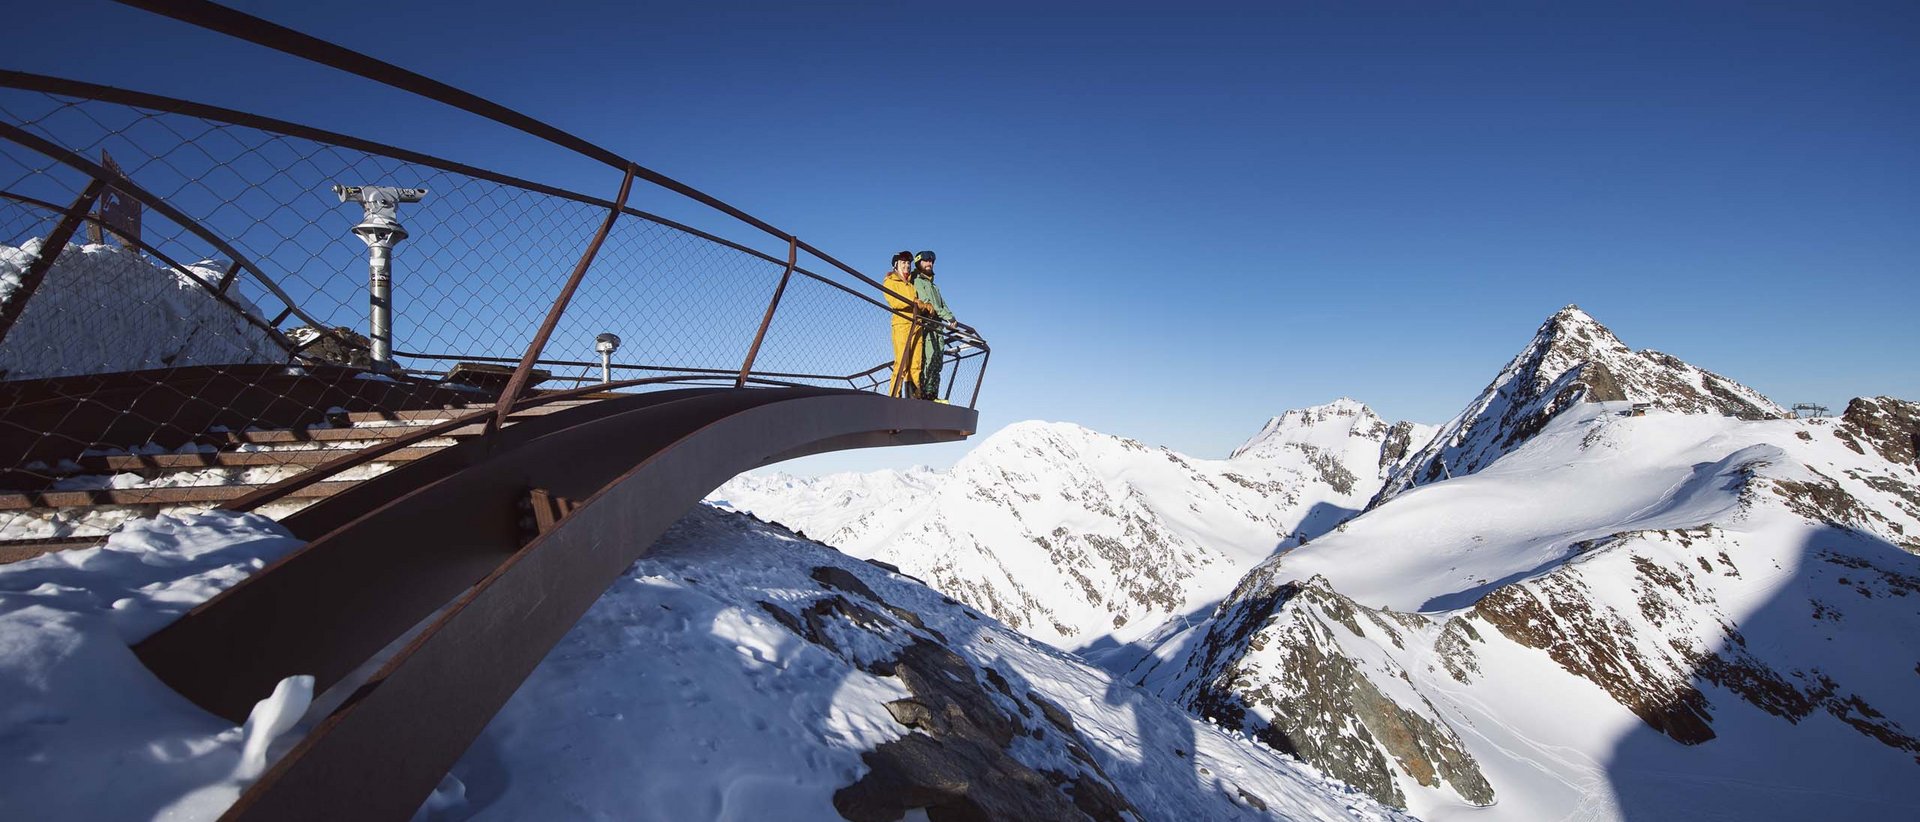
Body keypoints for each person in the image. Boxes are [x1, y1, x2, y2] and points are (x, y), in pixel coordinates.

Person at [911, 250, 955, 401]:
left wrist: (951, 318)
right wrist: (947, 317)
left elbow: (943, 304)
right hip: (927, 325)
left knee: (937, 361)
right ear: (919, 263)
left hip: (938, 327)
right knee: (928, 360)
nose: (929, 264)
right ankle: (922, 394)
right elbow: (929, 302)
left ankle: (932, 394)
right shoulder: (917, 281)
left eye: (931, 261)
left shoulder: (934, 286)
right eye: (926, 261)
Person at [882, 250, 926, 397]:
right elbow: (894, 301)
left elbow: (919, 303)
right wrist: (914, 302)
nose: (907, 265)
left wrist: (926, 306)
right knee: (902, 363)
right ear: (896, 265)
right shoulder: (890, 281)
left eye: (908, 263)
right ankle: (894, 397)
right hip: (902, 325)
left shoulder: (911, 284)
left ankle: (914, 397)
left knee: (916, 365)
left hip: (917, 324)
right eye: (903, 262)